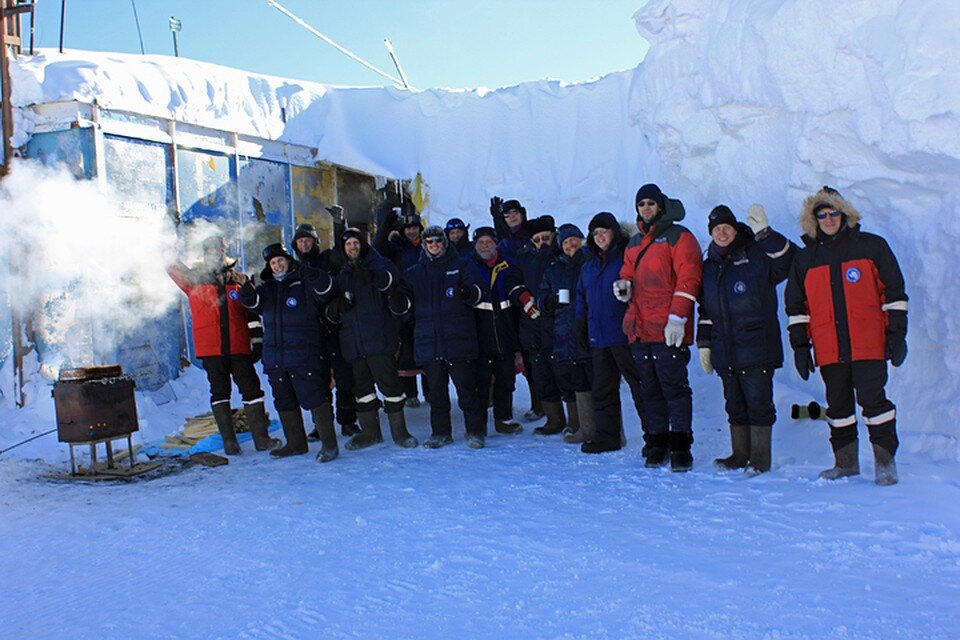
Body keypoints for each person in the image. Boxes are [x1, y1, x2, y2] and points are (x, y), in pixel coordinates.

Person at [785, 186, 907, 485]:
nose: (828, 219)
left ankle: (885, 464)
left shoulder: (872, 247)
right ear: (814, 220)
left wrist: (896, 335)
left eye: (833, 213)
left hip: (869, 345)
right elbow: (796, 307)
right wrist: (801, 346)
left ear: (844, 214)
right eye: (822, 214)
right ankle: (846, 464)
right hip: (829, 347)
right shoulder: (806, 259)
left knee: (874, 404)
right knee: (838, 407)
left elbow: (894, 294)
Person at [697, 204, 796, 474]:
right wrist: (704, 344)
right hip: (725, 347)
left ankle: (760, 460)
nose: (721, 233)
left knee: (759, 404)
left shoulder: (756, 253)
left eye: (726, 227)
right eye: (716, 229)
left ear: (735, 228)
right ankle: (739, 455)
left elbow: (790, 262)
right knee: (734, 404)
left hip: (757, 345)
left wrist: (765, 234)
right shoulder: (708, 266)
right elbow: (705, 309)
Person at [167, 236, 278, 455]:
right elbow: (170, 263)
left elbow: (251, 312)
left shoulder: (239, 279)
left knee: (252, 390)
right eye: (210, 250)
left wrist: (256, 339)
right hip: (212, 349)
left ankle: (262, 439)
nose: (215, 253)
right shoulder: (193, 279)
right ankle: (230, 442)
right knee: (219, 392)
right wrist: (169, 226)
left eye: (218, 249)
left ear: (223, 252)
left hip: (239, 347)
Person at [617, 184, 702, 471]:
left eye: (651, 203)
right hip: (641, 330)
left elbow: (689, 278)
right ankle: (657, 443)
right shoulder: (634, 242)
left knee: (674, 389)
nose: (646, 208)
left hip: (668, 329)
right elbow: (627, 272)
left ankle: (681, 447)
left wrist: (678, 318)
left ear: (661, 205)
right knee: (649, 390)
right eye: (641, 204)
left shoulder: (679, 236)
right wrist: (624, 285)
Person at [238, 243, 339, 462]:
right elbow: (252, 303)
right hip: (276, 357)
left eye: (281, 260)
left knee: (314, 398)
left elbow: (327, 290)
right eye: (273, 263)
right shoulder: (266, 288)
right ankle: (296, 444)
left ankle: (329, 445)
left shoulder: (303, 283)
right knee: (283, 401)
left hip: (304, 354)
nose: (278, 265)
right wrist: (246, 289)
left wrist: (313, 274)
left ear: (289, 261)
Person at [325, 227, 417, 451]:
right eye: (348, 245)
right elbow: (329, 310)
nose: (352, 247)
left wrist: (373, 277)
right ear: (343, 249)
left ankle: (400, 433)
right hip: (354, 344)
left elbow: (391, 280)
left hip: (379, 339)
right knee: (362, 391)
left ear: (362, 245)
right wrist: (336, 307)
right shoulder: (341, 275)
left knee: (391, 387)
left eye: (356, 243)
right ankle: (370, 433)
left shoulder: (379, 263)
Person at [400, 225, 489, 449]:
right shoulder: (414, 272)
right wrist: (396, 300)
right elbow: (403, 305)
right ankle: (440, 433)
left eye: (438, 241)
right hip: (430, 342)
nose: (434, 245)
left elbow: (480, 290)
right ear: (424, 244)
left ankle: (475, 431)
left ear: (444, 243)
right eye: (429, 242)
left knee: (467, 391)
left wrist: (468, 293)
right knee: (436, 395)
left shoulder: (462, 265)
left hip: (459, 340)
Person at [574, 213, 645, 453]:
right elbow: (581, 298)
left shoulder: (627, 257)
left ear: (614, 232)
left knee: (640, 388)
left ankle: (655, 436)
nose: (600, 236)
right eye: (595, 233)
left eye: (604, 231)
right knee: (603, 390)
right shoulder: (589, 265)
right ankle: (608, 436)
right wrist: (580, 325)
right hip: (599, 337)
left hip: (625, 335)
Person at [289, 211, 361, 440]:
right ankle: (322, 425)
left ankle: (348, 421)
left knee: (345, 377)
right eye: (300, 241)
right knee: (317, 380)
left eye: (308, 240)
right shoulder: (292, 270)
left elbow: (341, 251)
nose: (304, 244)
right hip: (311, 334)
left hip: (336, 327)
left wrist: (340, 223)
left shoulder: (328, 259)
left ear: (315, 243)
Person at [468, 226, 537, 436]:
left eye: (488, 242)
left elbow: (515, 285)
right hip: (480, 335)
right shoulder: (468, 266)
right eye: (481, 242)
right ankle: (478, 425)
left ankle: (503, 419)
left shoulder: (507, 265)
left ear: (495, 244)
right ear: (475, 245)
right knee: (480, 382)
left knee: (506, 380)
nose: (485, 246)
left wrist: (524, 299)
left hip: (505, 333)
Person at [538, 223, 594, 443]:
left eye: (574, 240)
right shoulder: (554, 269)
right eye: (566, 242)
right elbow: (542, 299)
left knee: (594, 377)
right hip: (563, 331)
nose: (571, 245)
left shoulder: (591, 262)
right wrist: (550, 301)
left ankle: (599, 427)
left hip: (588, 328)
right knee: (571, 377)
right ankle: (578, 424)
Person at [516, 216, 568, 436]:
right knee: (541, 374)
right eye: (537, 239)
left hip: (557, 323)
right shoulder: (524, 257)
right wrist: (523, 297)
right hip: (533, 324)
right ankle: (554, 419)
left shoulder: (561, 256)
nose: (541, 243)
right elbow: (513, 280)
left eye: (546, 238)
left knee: (565, 374)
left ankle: (576, 421)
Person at [373, 198, 426, 407]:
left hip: (424, 299)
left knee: (425, 344)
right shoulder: (397, 247)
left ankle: (430, 391)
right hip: (403, 300)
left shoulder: (428, 244)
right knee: (405, 347)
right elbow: (378, 247)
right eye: (408, 228)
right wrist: (385, 226)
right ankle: (410, 392)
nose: (412, 232)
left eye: (415, 228)